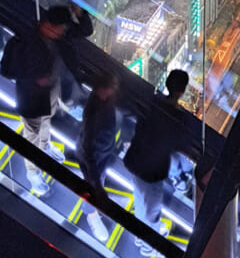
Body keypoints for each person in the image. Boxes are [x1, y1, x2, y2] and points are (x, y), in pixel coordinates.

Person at [1, 2, 93, 196]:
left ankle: (45, 144)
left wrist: (80, 12)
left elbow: (85, 30)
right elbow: (7, 70)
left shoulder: (59, 34)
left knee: (46, 120)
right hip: (31, 98)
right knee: (32, 134)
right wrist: (34, 78)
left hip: (52, 90)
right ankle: (32, 173)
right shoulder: (24, 42)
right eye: (60, 30)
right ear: (48, 26)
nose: (63, 34)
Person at [124, 69, 200, 233]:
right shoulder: (179, 120)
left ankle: (140, 230)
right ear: (182, 91)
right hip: (153, 169)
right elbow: (183, 145)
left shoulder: (151, 102)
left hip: (136, 157)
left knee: (139, 196)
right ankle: (148, 241)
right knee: (152, 206)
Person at [77, 71, 119, 243]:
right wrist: (98, 188)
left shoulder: (105, 100)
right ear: (102, 89)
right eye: (112, 89)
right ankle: (91, 215)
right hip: (94, 157)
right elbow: (88, 151)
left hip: (102, 152)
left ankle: (93, 208)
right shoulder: (94, 114)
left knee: (96, 181)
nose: (114, 92)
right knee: (92, 185)